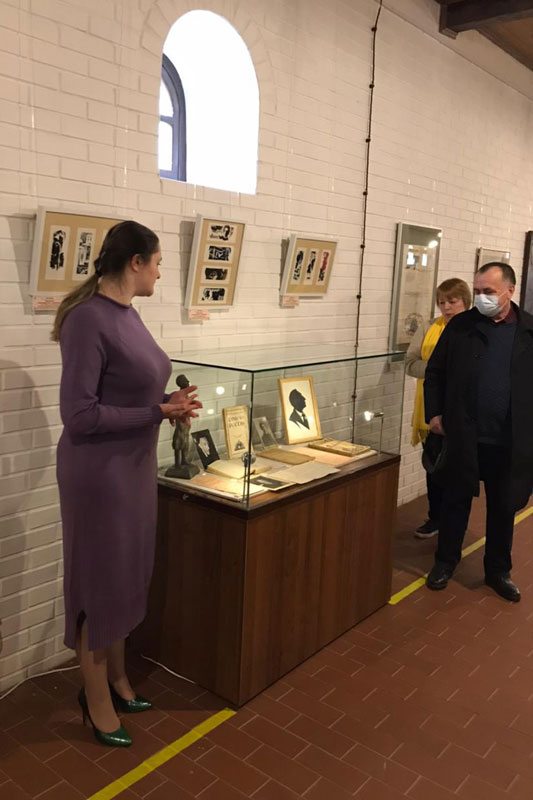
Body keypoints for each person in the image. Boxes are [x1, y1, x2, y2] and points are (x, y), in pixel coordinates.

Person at [52, 221, 202, 747]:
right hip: (99, 474)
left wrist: (167, 406)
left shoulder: (127, 313)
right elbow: (79, 416)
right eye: (157, 262)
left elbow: (131, 394)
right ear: (135, 262)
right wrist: (157, 411)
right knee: (100, 581)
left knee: (127, 573)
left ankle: (117, 679)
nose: (160, 272)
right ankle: (94, 699)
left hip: (132, 467)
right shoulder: (86, 319)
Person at [424, 263, 533, 601]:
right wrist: (434, 414)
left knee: (503, 507)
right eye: (478, 291)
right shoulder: (461, 326)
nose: (482, 297)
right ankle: (445, 562)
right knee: (454, 502)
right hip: (464, 434)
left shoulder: (529, 330)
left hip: (508, 439)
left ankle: (498, 571)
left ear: (510, 291)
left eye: (489, 291)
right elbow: (435, 372)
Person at [406, 278, 471, 538]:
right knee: (433, 468)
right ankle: (435, 517)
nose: (446, 307)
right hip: (430, 411)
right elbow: (410, 363)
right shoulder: (429, 327)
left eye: (452, 301)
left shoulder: (476, 329)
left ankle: (454, 526)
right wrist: (438, 368)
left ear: (466, 302)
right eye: (442, 302)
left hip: (462, 414)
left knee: (459, 475)